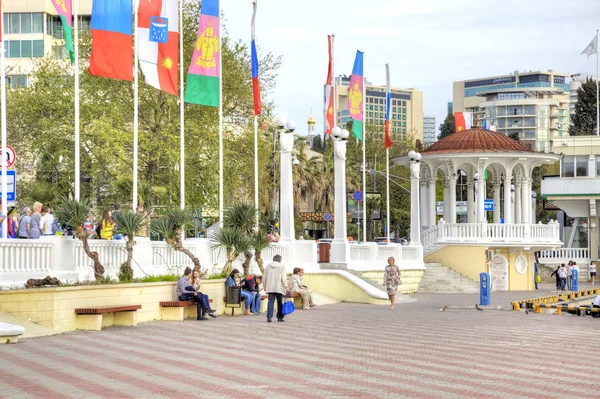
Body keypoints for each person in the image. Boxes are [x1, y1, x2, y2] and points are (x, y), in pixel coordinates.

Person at [262, 254, 288, 322]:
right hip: (279, 287)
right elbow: (283, 278)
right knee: (279, 302)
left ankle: (269, 317)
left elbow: (264, 278)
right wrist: (286, 286)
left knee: (270, 302)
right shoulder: (281, 267)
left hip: (270, 287)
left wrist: (265, 287)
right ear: (280, 260)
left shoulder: (268, 266)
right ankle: (280, 317)